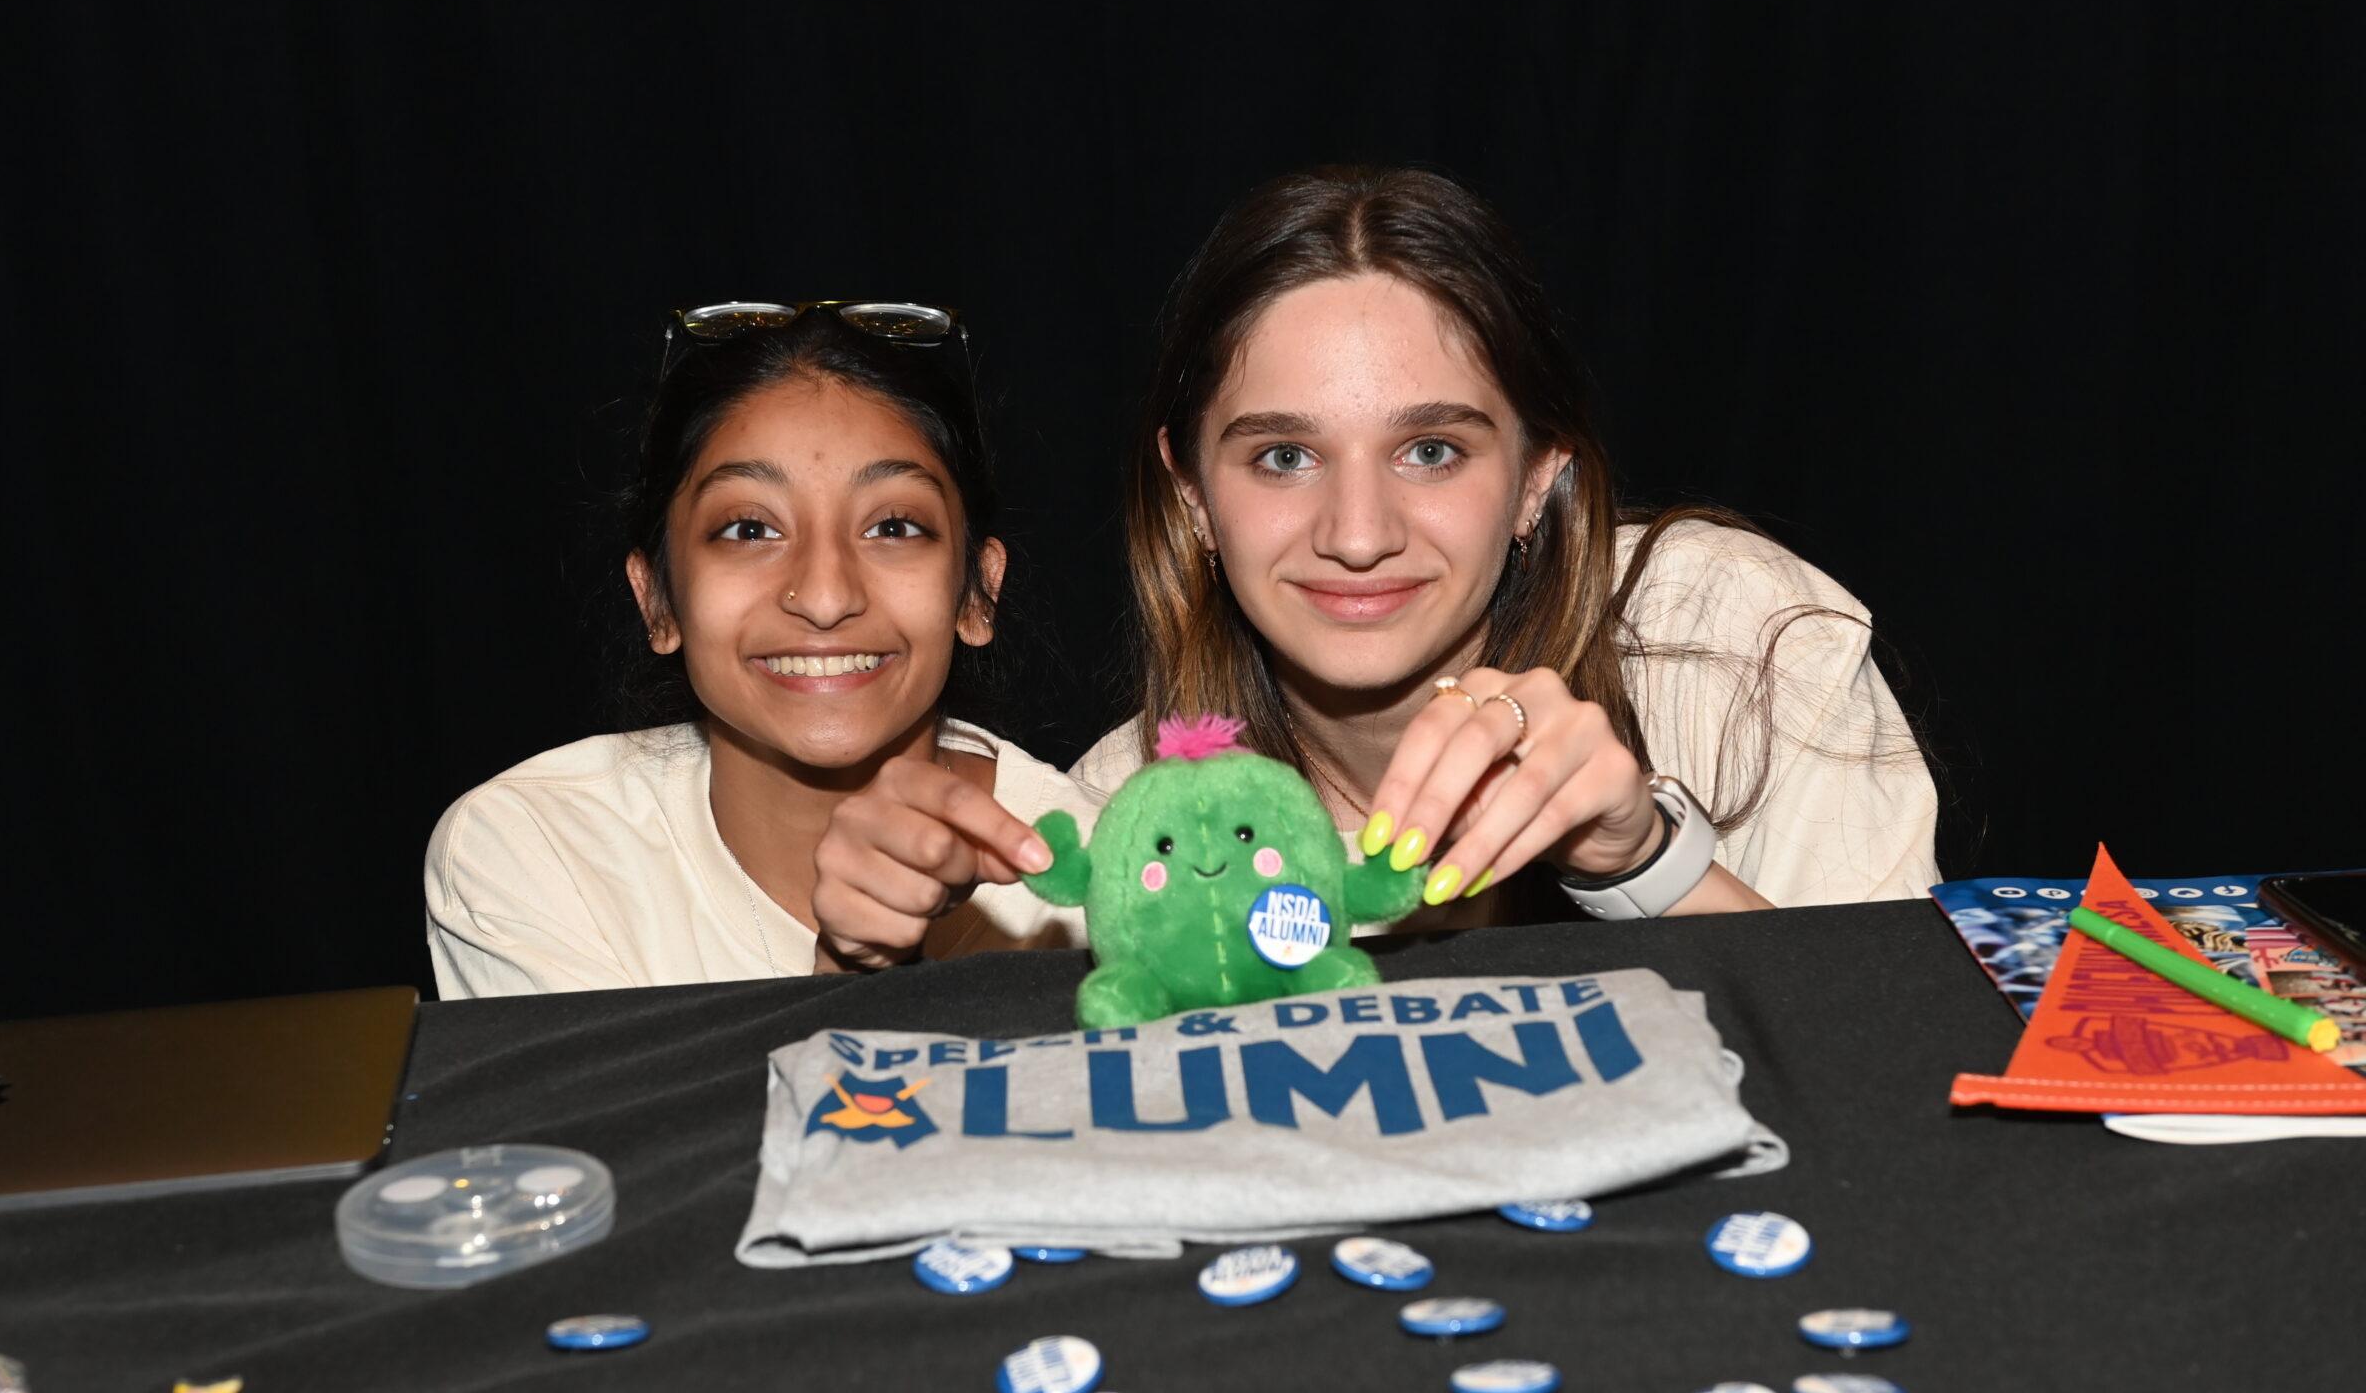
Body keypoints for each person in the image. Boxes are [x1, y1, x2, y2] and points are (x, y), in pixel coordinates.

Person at [1068, 165, 1938, 923]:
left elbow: (1911, 1073)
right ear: (1192, 496)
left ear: (1535, 477)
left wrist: (1646, 860)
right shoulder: (1125, 819)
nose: (1359, 535)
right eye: (1284, 457)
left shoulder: (1731, 643)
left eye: (1432, 452)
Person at [424, 302, 1096, 997]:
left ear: (977, 594)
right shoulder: (538, 859)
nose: (826, 594)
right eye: (749, 529)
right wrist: (852, 975)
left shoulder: (1121, 879)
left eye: (893, 525)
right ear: (656, 598)